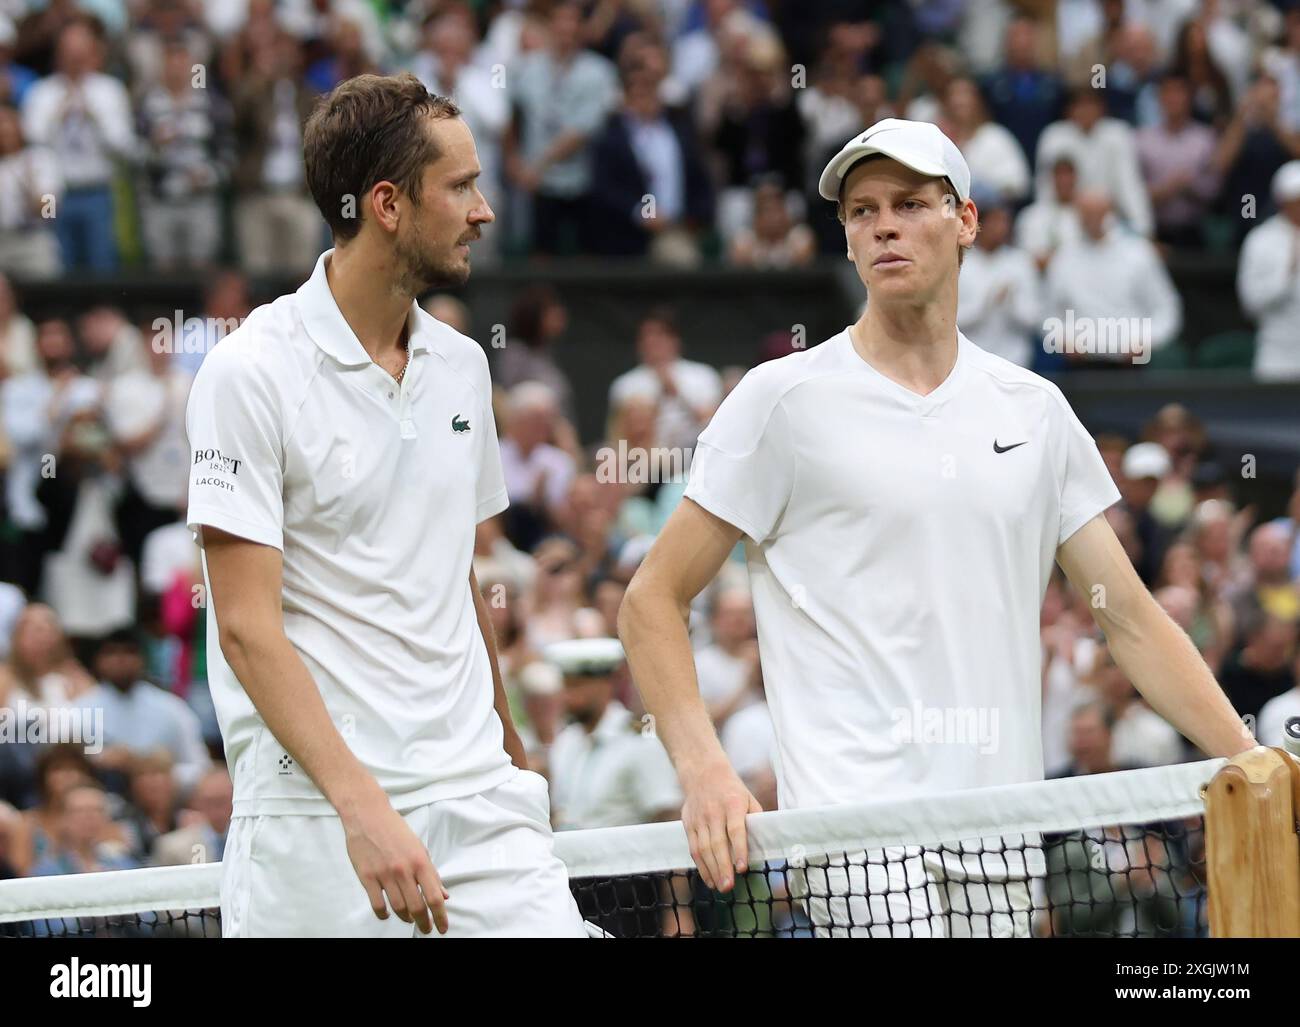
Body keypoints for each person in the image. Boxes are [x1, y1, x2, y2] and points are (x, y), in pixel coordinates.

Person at [618, 118, 1254, 938]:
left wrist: (1247, 754)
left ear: (967, 221)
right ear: (846, 239)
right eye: (862, 210)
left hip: (1001, 839)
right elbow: (652, 597)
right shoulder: (781, 401)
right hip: (857, 841)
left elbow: (1126, 615)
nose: (883, 223)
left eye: (911, 203)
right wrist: (703, 768)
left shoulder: (1035, 410)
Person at [185, 74, 585, 938]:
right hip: (314, 821)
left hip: (477, 800)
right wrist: (362, 807)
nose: (483, 210)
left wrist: (509, 753)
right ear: (387, 204)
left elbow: (458, 573)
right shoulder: (248, 373)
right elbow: (247, 628)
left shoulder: (465, 367)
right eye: (461, 187)